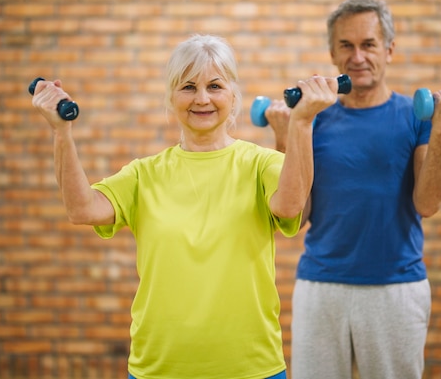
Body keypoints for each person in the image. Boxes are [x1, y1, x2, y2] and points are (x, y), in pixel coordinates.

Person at [31, 34, 338, 379]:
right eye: (188, 87)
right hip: (159, 368)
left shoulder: (260, 164)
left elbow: (291, 204)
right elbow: (81, 209)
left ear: (233, 95)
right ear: (171, 97)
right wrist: (61, 132)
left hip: (251, 368)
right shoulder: (143, 174)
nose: (202, 98)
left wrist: (301, 123)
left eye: (215, 86)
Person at [263, 0, 441, 379]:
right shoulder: (312, 121)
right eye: (347, 45)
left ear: (389, 49)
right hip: (321, 285)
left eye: (368, 44)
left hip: (395, 288)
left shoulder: (415, 116)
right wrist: (284, 137)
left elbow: (427, 204)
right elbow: (295, 215)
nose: (357, 57)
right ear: (332, 53)